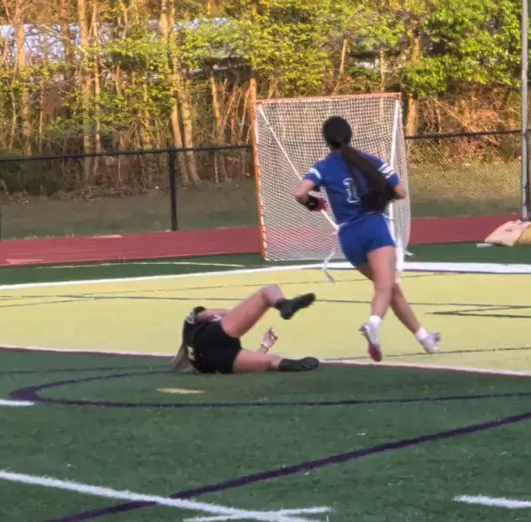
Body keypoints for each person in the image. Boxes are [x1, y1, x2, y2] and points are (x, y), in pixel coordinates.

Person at [291, 115, 440, 362]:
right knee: (385, 286)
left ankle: (425, 338)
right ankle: (374, 323)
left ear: (326, 141)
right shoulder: (370, 161)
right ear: (351, 135)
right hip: (373, 227)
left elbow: (300, 193)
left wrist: (312, 203)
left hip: (348, 237)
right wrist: (380, 197)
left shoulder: (324, 166)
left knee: (391, 288)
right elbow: (400, 192)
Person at [170, 285, 320, 374]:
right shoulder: (192, 327)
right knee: (267, 292)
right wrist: (240, 314)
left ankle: (295, 365)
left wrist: (265, 346)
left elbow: (249, 359)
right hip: (216, 342)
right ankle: (282, 304)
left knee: (271, 362)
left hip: (216, 362)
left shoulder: (193, 354)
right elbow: (209, 313)